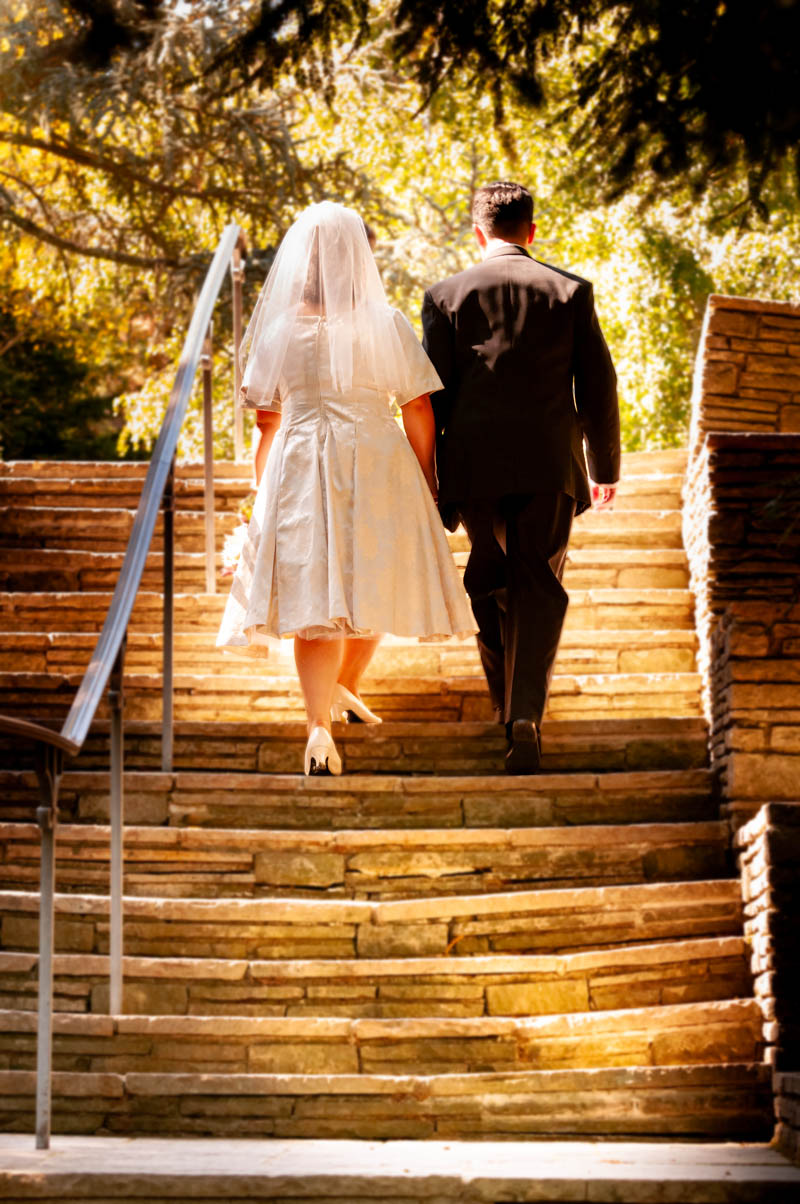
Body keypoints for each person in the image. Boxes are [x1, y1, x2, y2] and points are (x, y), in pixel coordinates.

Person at [217, 202, 475, 775]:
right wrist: (428, 481)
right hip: (375, 458)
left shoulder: (280, 329)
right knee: (374, 575)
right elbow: (417, 407)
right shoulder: (385, 324)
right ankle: (345, 684)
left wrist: (263, 492)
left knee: (315, 600)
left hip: (302, 458)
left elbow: (266, 420)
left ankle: (318, 728)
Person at [422, 181, 620, 773]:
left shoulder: (444, 296)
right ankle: (525, 714)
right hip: (548, 462)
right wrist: (603, 466)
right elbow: (599, 383)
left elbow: (431, 394)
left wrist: (430, 478)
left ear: (478, 233)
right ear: (531, 232)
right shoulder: (571, 291)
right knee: (537, 580)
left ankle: (507, 706)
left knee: (486, 578)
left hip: (472, 466)